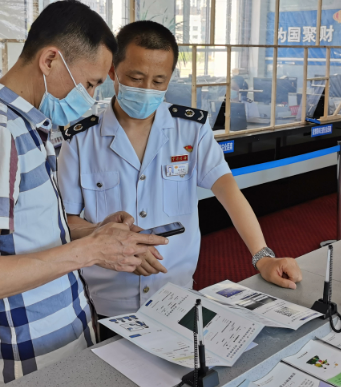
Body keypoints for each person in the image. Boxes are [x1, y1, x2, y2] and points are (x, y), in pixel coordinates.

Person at [0, 1, 168, 386]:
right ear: (50, 60)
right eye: (90, 83)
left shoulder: (27, 125)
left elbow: (25, 235)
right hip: (29, 359)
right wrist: (91, 251)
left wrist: (95, 233)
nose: (91, 96)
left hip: (61, 339)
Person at [57, 20, 302, 334]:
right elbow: (66, 221)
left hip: (176, 296)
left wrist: (263, 257)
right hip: (104, 304)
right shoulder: (81, 137)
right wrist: (114, 244)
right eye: (135, 77)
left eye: (159, 80)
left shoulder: (191, 129)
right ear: (113, 71)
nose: (147, 89)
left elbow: (228, 191)